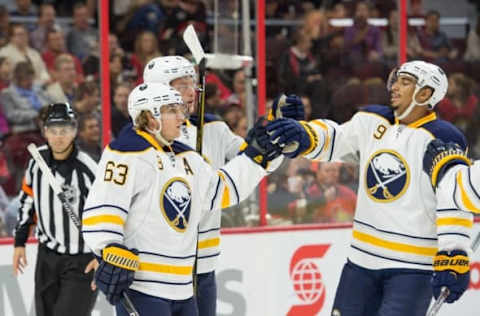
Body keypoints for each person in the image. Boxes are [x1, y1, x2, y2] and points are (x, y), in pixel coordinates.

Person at [266, 60, 472, 316]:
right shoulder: (372, 120)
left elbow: (454, 195)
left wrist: (454, 250)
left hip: (411, 269)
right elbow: (336, 138)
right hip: (361, 262)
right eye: (395, 80)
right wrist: (305, 133)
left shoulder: (444, 138)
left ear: (426, 93)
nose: (395, 87)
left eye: (405, 82)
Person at [81, 82, 280, 316]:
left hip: (184, 289)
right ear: (151, 116)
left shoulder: (187, 157)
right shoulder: (126, 153)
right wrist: (108, 249)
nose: (181, 117)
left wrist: (255, 158)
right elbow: (103, 208)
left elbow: (220, 191)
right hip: (143, 288)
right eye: (172, 111)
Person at [142, 55, 303, 315]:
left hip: (204, 264)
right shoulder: (142, 142)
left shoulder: (213, 127)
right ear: (159, 89)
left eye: (191, 83)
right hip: (158, 267)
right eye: (181, 85)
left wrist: (276, 132)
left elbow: (256, 162)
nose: (191, 91)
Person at [12, 103, 99, 316]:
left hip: (82, 261)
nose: (59, 136)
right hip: (47, 257)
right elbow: (27, 201)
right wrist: (19, 242)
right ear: (45, 132)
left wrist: (103, 254)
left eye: (64, 130)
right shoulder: (36, 161)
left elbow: (105, 213)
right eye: (53, 130)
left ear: (74, 131)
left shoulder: (88, 169)